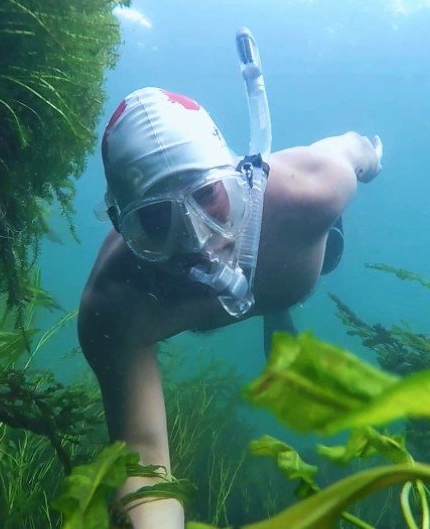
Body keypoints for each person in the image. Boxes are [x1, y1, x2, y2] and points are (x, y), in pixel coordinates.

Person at [77, 86, 383, 528]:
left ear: (242, 181)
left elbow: (347, 151)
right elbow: (144, 462)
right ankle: (272, 307)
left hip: (299, 258)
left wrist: (370, 159)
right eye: (157, 219)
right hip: (279, 276)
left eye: (207, 196)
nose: (195, 241)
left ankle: (276, 309)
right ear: (125, 227)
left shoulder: (314, 190)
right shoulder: (115, 305)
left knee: (328, 253)